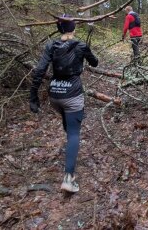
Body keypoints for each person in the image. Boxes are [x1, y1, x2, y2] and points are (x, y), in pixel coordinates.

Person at [29, 15, 98, 193]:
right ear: (73, 29)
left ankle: (70, 149)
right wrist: (86, 53)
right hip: (72, 95)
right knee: (74, 133)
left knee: (69, 126)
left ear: (60, 30)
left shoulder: (51, 45)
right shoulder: (80, 45)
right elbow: (95, 63)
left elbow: (39, 70)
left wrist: (33, 96)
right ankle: (68, 177)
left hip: (55, 96)